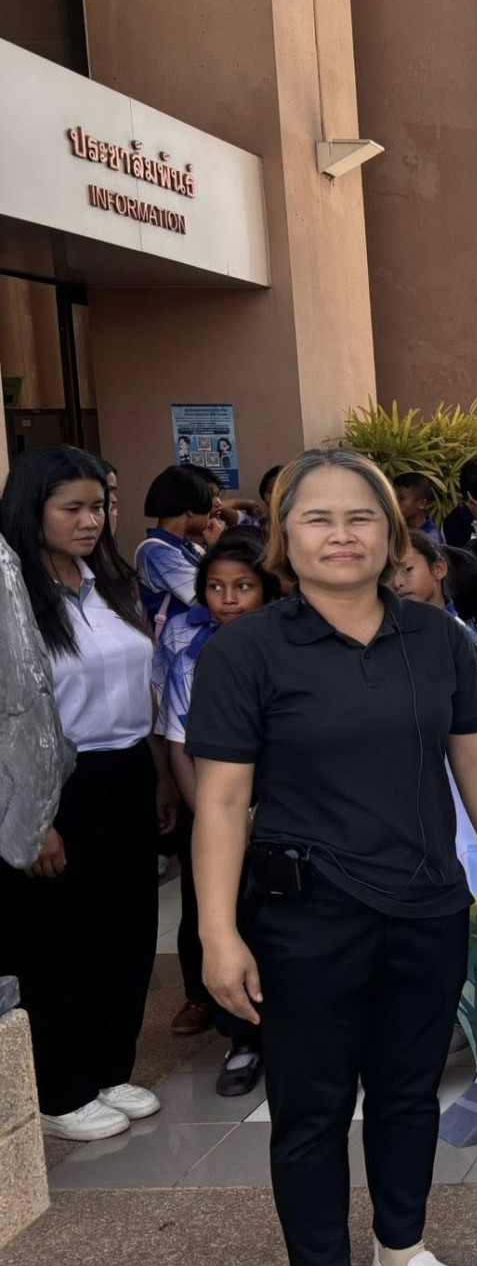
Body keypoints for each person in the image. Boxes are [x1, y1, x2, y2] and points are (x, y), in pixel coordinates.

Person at [185, 448, 477, 1266]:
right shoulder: (247, 649)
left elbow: (476, 758)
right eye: (317, 519)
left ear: (393, 534)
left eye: (361, 518)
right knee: (313, 1103)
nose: (341, 534)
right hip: (306, 915)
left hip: (423, 903)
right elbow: (219, 801)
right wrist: (218, 930)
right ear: (285, 542)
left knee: (411, 1088)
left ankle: (399, 1252)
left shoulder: (439, 638)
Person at [1, 446, 176, 1142]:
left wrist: (161, 773)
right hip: (57, 785)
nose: (90, 520)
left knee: (126, 928)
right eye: (70, 508)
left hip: (128, 768)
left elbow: (149, 684)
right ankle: (61, 1087)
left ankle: (110, 1067)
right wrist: (31, 818)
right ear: (30, 509)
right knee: (56, 939)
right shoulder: (13, 595)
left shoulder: (110, 581)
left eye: (97, 506)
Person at [158, 530, 279, 1095]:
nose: (228, 599)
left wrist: (262, 810)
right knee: (222, 919)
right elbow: (180, 744)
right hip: (214, 809)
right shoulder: (190, 656)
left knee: (283, 926)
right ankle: (242, 1039)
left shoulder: (290, 650)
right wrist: (209, 812)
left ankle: (293, 1035)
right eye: (215, 587)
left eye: (243, 586)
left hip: (280, 811)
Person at [137, 463, 219, 627]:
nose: (209, 515)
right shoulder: (155, 551)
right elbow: (208, 595)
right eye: (205, 508)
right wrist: (218, 548)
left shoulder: (188, 547)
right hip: (177, 645)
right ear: (189, 509)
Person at [392, 473, 441, 543]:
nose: (395, 503)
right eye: (393, 498)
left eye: (401, 499)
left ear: (421, 503)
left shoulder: (431, 541)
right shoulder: (397, 531)